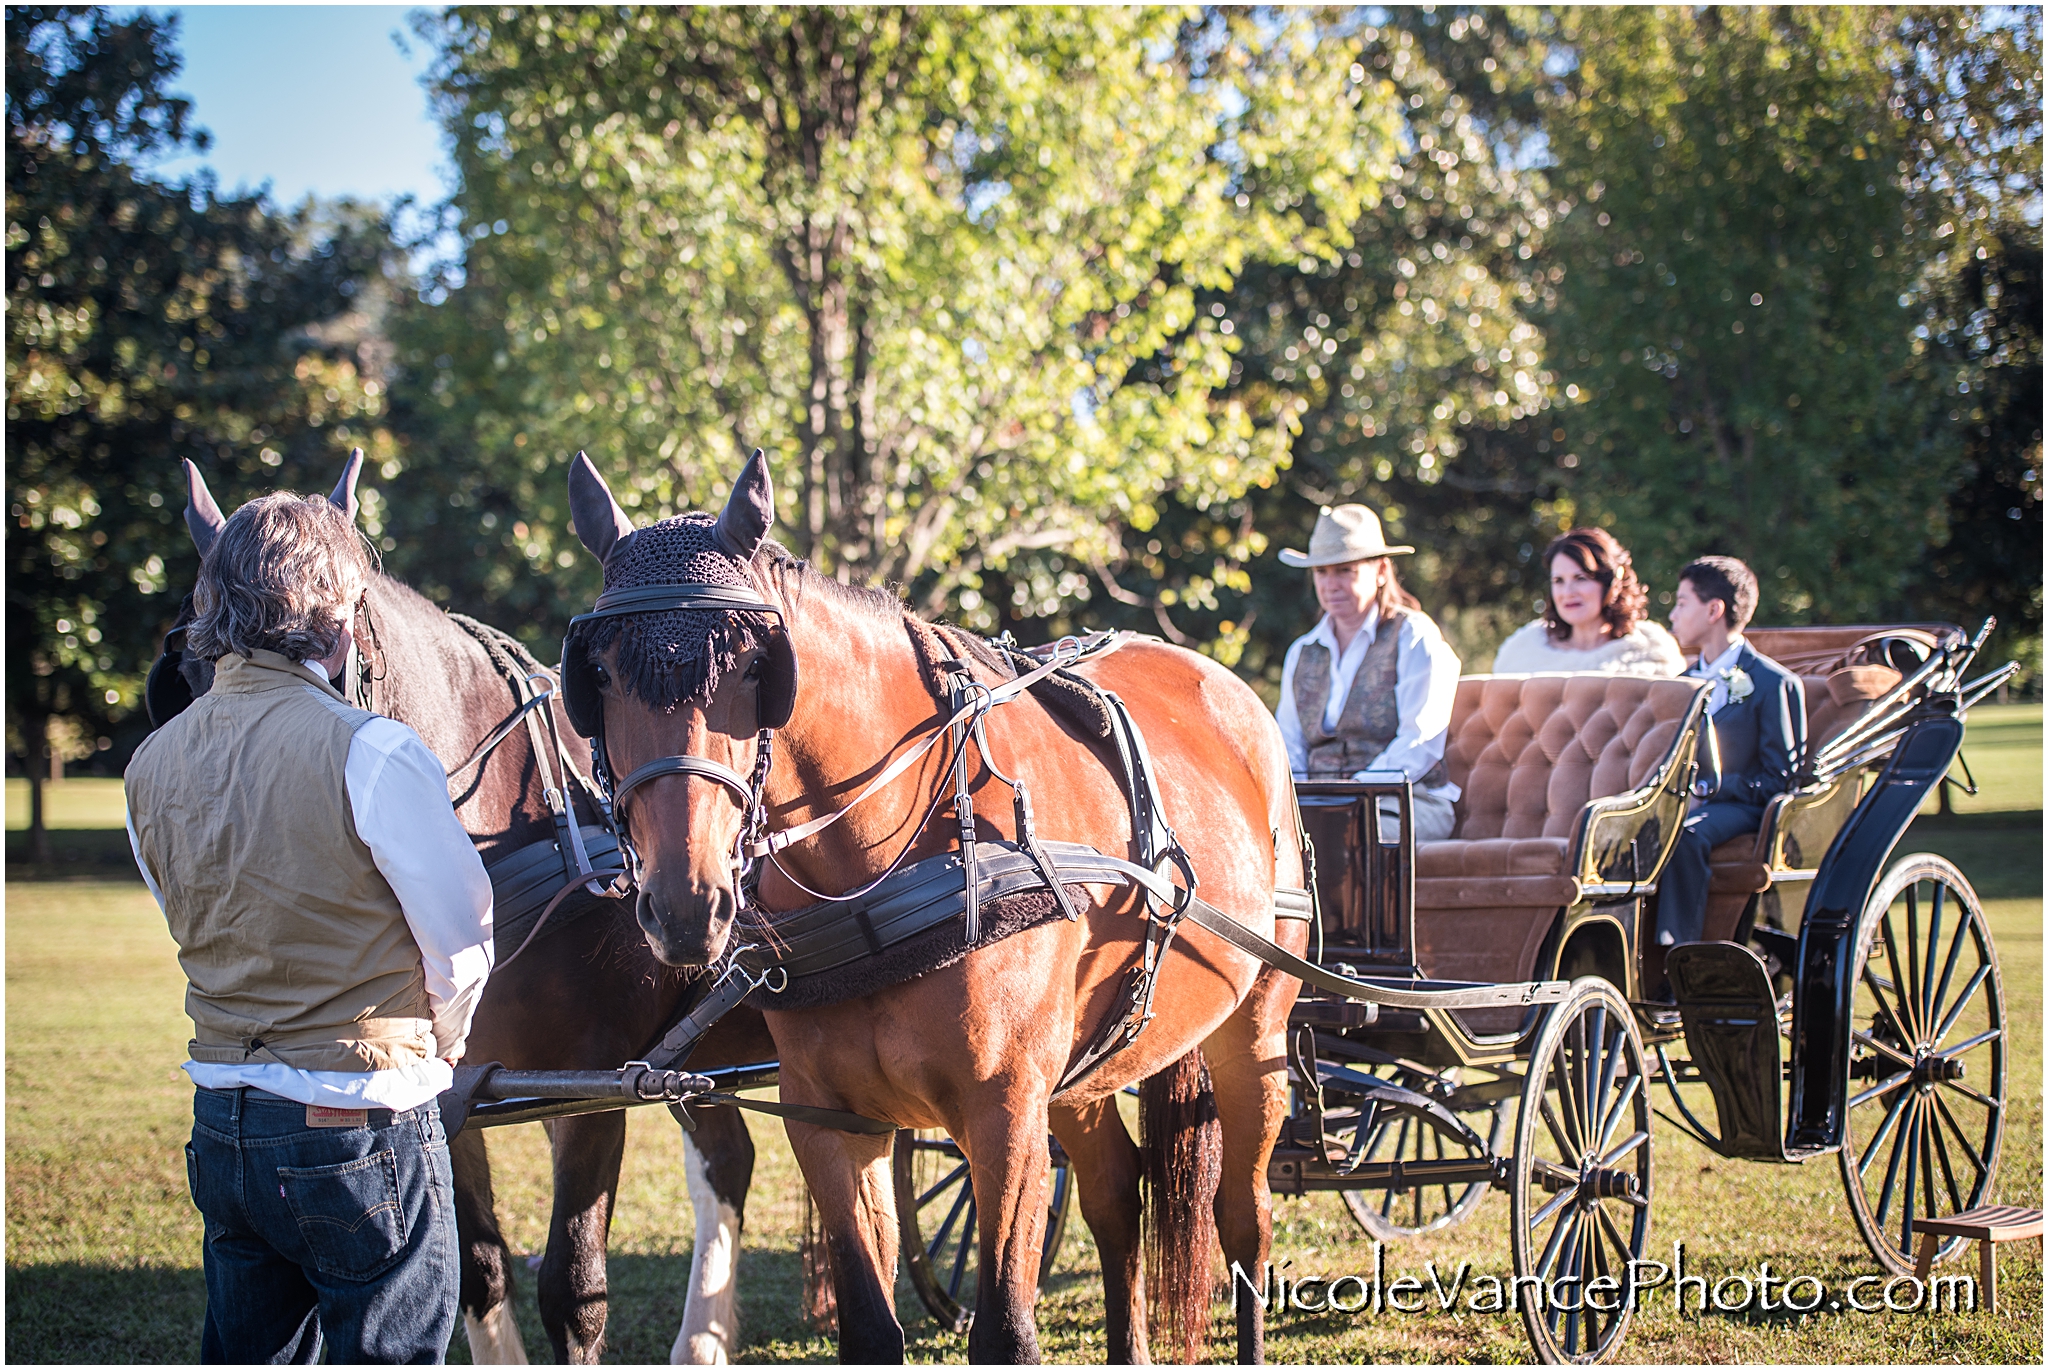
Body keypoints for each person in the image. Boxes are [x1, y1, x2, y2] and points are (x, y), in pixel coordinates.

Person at [125, 491, 493, 1364]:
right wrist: (436, 1047)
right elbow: (464, 940)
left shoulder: (148, 765)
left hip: (221, 1120)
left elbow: (188, 914)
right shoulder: (374, 749)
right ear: (337, 616)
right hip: (358, 1124)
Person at [1275, 503, 1463, 842]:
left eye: (1344, 570)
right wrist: (1297, 800)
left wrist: (1354, 795)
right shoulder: (1302, 652)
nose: (1330, 585)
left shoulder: (1413, 636)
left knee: (1341, 837)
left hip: (1408, 803)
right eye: (1321, 572)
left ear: (1380, 571)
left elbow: (1419, 742)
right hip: (1317, 809)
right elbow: (1289, 743)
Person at [1652, 555, 1806, 961]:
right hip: (1684, 803)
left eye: (1682, 602)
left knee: (1684, 835)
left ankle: (1681, 959)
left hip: (1741, 807)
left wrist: (1709, 788)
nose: (1672, 614)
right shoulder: (1679, 686)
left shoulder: (1773, 684)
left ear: (1714, 609)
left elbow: (1781, 779)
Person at [1490, 527, 1685, 676]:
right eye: (1558, 581)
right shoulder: (1522, 652)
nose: (1568, 593)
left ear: (1611, 583)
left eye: (1581, 578)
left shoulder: (1650, 652)